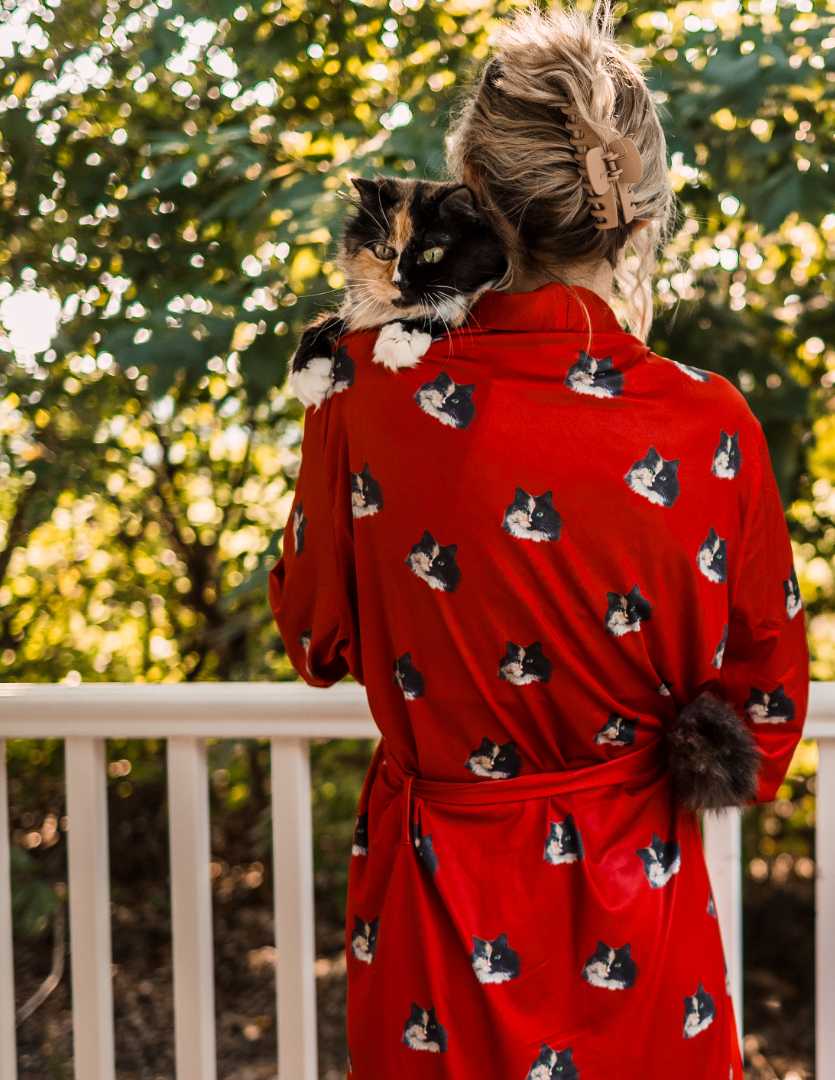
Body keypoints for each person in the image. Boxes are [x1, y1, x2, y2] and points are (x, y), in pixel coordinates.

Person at [270, 8, 808, 1078]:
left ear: (471, 181)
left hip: (438, 916)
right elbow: (764, 718)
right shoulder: (711, 425)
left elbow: (314, 636)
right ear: (646, 207)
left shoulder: (365, 389)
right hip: (641, 917)